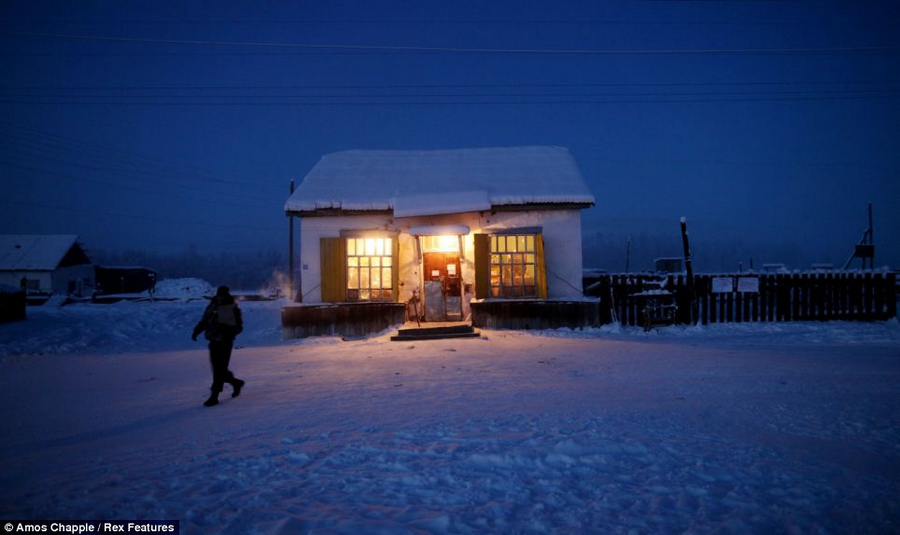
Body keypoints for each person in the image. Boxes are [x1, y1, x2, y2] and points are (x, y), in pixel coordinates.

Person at [192, 285, 245, 407]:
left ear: (227, 295)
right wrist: (196, 331)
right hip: (213, 341)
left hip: (225, 342)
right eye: (219, 296)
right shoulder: (212, 306)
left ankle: (214, 395)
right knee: (218, 370)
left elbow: (239, 327)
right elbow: (205, 320)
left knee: (219, 370)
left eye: (223, 296)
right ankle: (236, 383)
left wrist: (228, 330)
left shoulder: (232, 308)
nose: (220, 298)